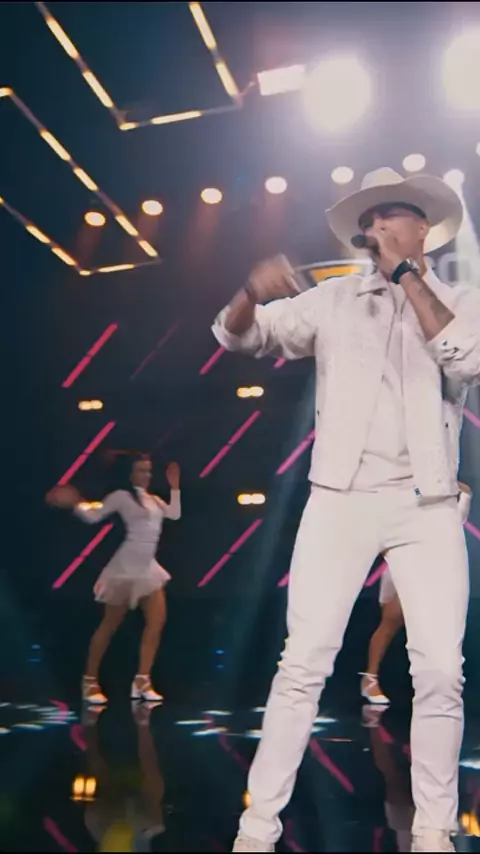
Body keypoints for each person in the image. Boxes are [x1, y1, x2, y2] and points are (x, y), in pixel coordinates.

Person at [212, 167, 480, 854]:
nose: (378, 227)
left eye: (393, 215)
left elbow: (466, 359)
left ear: (423, 229)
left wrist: (407, 278)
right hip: (341, 499)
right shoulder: (333, 301)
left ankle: (433, 828)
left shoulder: (460, 301)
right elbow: (239, 337)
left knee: (440, 671)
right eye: (371, 219)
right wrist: (249, 293)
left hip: (428, 506)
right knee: (302, 664)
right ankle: (257, 828)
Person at [47, 455, 181, 704]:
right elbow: (93, 516)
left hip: (148, 568)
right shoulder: (121, 496)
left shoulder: (152, 499)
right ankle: (89, 681)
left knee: (156, 622)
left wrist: (174, 487)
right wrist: (75, 503)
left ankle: (142, 680)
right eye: (141, 470)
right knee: (110, 625)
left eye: (148, 471)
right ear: (129, 473)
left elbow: (174, 514)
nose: (146, 475)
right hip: (125, 567)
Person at [362, 482, 472, 705]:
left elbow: (457, 522)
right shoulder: (405, 487)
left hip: (436, 568)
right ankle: (370, 678)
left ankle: (434, 683)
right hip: (405, 563)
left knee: (436, 630)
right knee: (391, 622)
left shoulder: (457, 492)